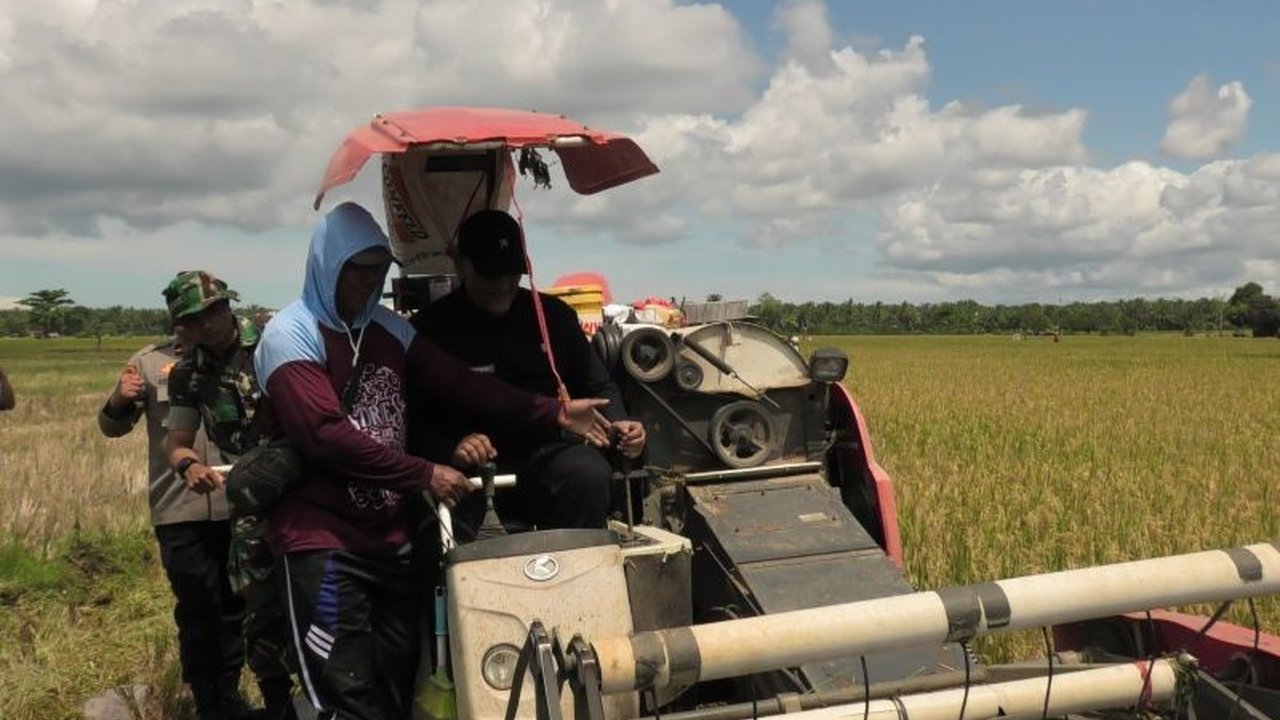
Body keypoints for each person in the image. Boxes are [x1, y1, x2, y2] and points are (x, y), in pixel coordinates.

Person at [253, 201, 611, 720]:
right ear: (327, 266)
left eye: (377, 270)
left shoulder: (387, 329)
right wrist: (425, 472)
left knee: (397, 682)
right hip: (323, 543)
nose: (367, 282)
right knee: (343, 694)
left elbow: (462, 385)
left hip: (388, 539)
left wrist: (553, 413)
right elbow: (322, 436)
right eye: (355, 270)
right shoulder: (292, 334)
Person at [411, 209, 645, 535]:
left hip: (543, 457)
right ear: (460, 265)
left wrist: (621, 424)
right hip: (466, 470)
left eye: (512, 273)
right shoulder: (428, 329)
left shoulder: (554, 316)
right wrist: (449, 448)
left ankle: (577, 564)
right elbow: (409, 421)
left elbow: (599, 386)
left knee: (588, 475)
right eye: (490, 275)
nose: (503, 285)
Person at [161, 270, 294, 720]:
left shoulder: (277, 340)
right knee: (260, 607)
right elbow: (178, 442)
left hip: (307, 486)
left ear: (228, 306)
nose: (209, 324)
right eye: (195, 319)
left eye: (215, 311)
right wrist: (189, 465)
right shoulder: (187, 375)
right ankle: (280, 706)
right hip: (251, 500)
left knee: (323, 591)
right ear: (182, 326)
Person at [97, 331, 249, 720]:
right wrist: (119, 398)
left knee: (235, 605)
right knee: (197, 607)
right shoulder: (148, 362)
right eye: (186, 317)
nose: (196, 324)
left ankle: (230, 694)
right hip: (179, 505)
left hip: (237, 502)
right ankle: (205, 699)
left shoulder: (238, 357)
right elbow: (112, 427)